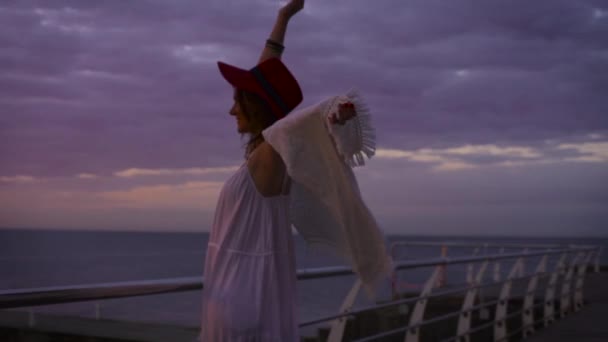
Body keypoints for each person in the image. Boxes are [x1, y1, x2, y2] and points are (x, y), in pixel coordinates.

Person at [198, 1, 360, 341]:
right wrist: (283, 18)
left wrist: (331, 119)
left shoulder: (272, 154)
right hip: (246, 290)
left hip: (241, 294)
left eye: (237, 101)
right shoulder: (266, 152)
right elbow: (267, 78)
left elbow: (303, 128)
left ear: (254, 107)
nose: (231, 111)